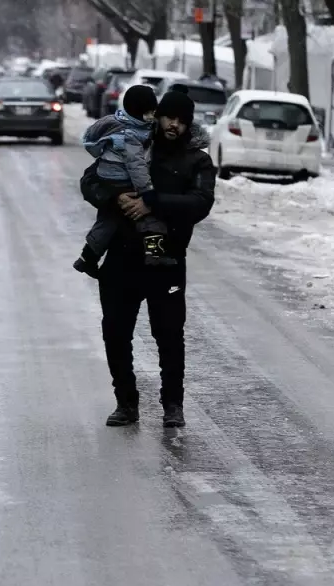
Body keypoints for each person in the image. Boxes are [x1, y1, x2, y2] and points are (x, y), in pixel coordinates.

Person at [80, 89, 216, 428]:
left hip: (166, 260)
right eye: (170, 117)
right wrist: (115, 198)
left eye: (182, 121)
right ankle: (126, 402)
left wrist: (153, 203)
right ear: (157, 116)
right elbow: (89, 181)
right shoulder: (133, 142)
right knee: (115, 331)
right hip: (122, 258)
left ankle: (173, 405)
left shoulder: (196, 160)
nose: (175, 125)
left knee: (169, 334)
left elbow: (200, 204)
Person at [74, 84, 175, 278]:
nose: (152, 116)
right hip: (120, 181)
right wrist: (147, 193)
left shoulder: (119, 124)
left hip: (110, 177)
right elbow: (136, 167)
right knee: (152, 221)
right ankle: (155, 256)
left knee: (107, 223)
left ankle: (87, 258)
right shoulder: (131, 135)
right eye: (149, 112)